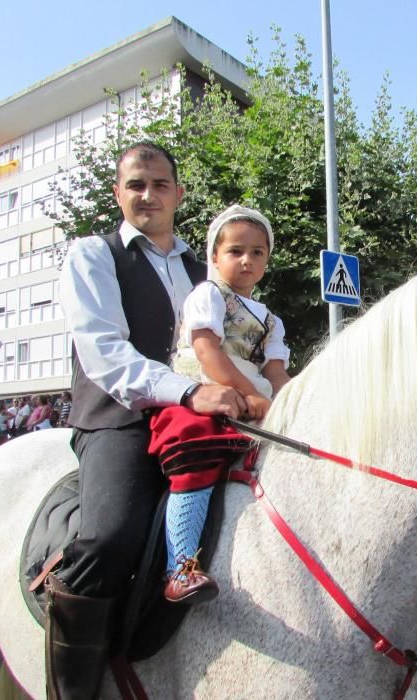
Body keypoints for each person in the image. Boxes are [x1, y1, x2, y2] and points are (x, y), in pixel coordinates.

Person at [53, 141, 245, 699]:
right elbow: (106, 355)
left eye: (160, 184)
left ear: (179, 195)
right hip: (121, 419)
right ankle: (76, 688)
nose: (148, 194)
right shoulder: (93, 255)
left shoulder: (205, 270)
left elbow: (235, 345)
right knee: (111, 539)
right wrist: (190, 391)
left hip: (200, 417)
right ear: (118, 194)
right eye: (136, 184)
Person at [161, 204, 291, 604]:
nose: (247, 260)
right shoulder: (208, 296)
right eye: (235, 251)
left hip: (251, 399)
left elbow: (276, 374)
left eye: (257, 252)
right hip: (201, 392)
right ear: (215, 257)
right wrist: (248, 395)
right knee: (197, 446)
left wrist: (290, 402)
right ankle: (180, 564)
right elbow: (208, 353)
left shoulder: (271, 320)